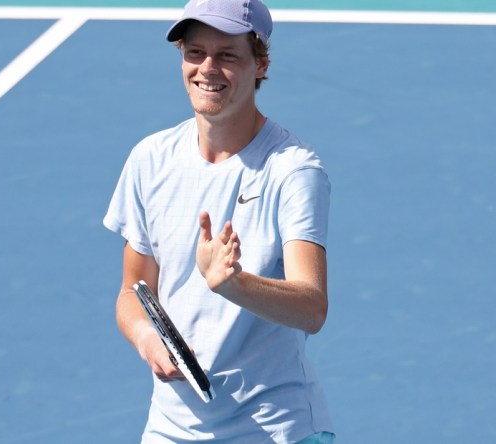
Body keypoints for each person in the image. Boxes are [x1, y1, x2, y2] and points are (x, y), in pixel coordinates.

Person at [103, 0, 335, 442]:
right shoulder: (149, 160)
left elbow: (312, 308)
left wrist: (234, 284)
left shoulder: (293, 172)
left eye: (227, 55)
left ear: (261, 64)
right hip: (171, 430)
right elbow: (134, 291)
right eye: (195, 53)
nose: (207, 68)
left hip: (274, 429)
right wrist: (148, 340)